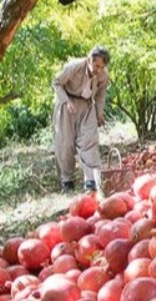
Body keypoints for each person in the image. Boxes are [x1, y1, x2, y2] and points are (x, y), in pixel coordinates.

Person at [53, 46, 110, 193]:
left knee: (89, 140)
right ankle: (67, 180)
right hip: (68, 104)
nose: (98, 70)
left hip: (87, 105)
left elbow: (101, 95)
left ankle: (91, 180)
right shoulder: (74, 67)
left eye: (101, 67)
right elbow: (57, 83)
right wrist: (65, 101)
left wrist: (99, 112)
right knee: (65, 143)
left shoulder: (103, 75)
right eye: (96, 65)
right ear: (89, 60)